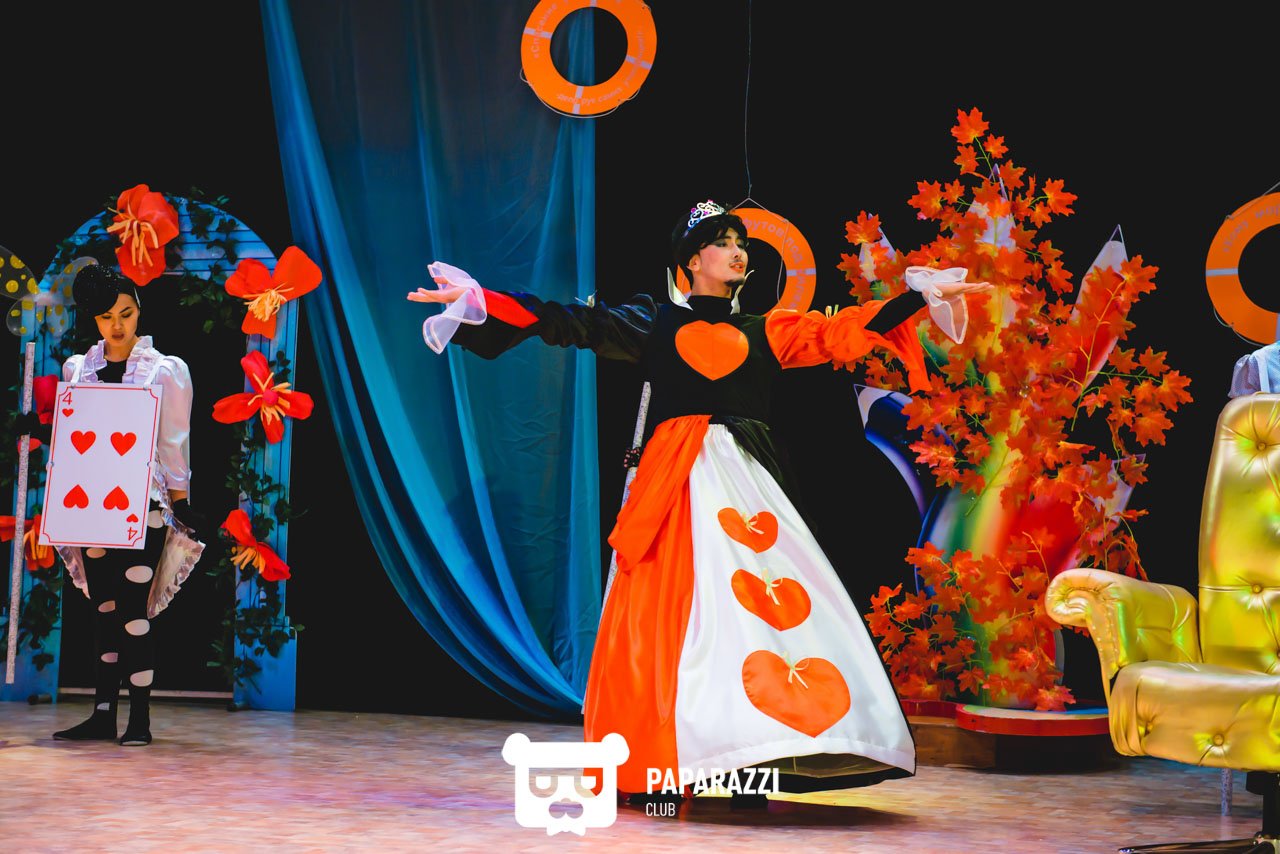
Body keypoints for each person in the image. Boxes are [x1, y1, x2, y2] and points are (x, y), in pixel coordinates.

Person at [408, 200, 990, 805]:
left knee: (759, 616)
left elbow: (841, 331)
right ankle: (658, 758)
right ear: (691, 261)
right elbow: (570, 322)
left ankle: (750, 757)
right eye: (723, 242)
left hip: (749, 488)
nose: (738, 252)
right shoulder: (653, 323)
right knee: (670, 619)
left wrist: (918, 295)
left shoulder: (767, 329)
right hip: (674, 485)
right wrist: (482, 300)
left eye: (741, 242)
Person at [38, 264, 205, 746]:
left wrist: (180, 501)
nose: (117, 325)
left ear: (139, 310)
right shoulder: (78, 368)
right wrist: (42, 432)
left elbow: (173, 441)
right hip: (92, 507)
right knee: (104, 609)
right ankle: (102, 714)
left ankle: (140, 719)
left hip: (141, 504)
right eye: (106, 316)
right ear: (94, 319)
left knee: (133, 611)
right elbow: (77, 439)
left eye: (126, 313)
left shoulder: (164, 370)